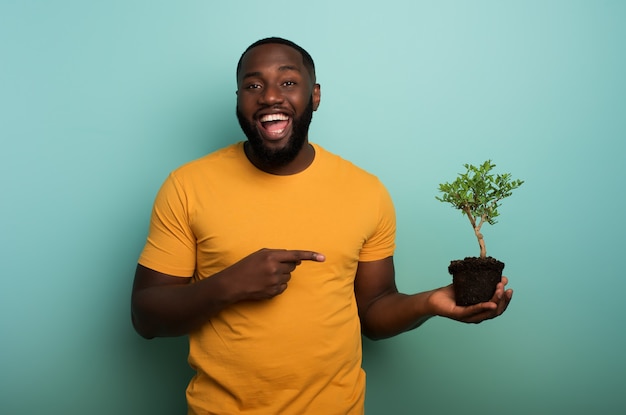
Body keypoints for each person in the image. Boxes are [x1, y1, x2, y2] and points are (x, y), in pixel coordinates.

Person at [131, 37, 513, 415]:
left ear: (314, 96)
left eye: (288, 82)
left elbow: (374, 311)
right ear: (238, 99)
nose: (269, 96)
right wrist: (230, 284)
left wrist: (430, 302)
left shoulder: (366, 192)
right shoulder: (187, 186)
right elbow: (146, 316)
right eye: (253, 85)